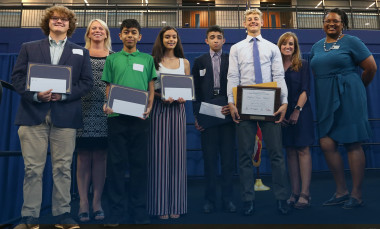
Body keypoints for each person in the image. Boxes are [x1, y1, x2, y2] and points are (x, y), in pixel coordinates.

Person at [11, 5, 93, 229]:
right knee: (33, 169)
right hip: (32, 115)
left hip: (65, 117)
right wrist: (35, 95)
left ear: (70, 24)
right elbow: (17, 78)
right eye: (55, 18)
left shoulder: (80, 52)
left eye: (64, 19)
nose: (59, 21)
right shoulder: (28, 47)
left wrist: (65, 95)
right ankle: (30, 217)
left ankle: (62, 215)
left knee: (63, 168)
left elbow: (86, 83)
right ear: (48, 22)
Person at [310, 8, 377, 209]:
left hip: (349, 95)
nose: (331, 24)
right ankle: (341, 191)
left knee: (352, 143)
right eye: (327, 20)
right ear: (323, 23)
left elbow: (371, 67)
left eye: (336, 21)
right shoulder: (316, 46)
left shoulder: (352, 41)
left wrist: (356, 87)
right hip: (325, 97)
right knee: (326, 143)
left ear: (343, 23)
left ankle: (356, 194)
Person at [227, 8, 290, 216]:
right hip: (243, 105)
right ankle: (248, 199)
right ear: (245, 24)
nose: (253, 21)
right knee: (244, 155)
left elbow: (279, 75)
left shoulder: (272, 48)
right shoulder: (236, 48)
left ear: (262, 23)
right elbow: (232, 76)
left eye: (256, 18)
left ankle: (282, 198)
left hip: (269, 104)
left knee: (277, 155)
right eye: (249, 19)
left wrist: (284, 101)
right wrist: (231, 103)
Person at [102, 19, 155, 225]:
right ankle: (115, 214)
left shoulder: (147, 59)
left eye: (134, 32)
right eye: (126, 32)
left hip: (140, 118)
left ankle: (139, 212)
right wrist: (108, 104)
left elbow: (151, 87)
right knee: (115, 167)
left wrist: (149, 107)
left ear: (139, 36)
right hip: (116, 118)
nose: (130, 36)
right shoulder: (112, 59)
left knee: (139, 166)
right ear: (120, 36)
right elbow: (108, 87)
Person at [192, 25, 236, 214]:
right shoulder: (199, 61)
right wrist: (196, 116)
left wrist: (233, 105)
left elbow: (237, 85)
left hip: (227, 112)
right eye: (212, 37)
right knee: (209, 160)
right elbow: (194, 91)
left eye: (219, 37)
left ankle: (228, 199)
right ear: (206, 40)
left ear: (224, 40)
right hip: (207, 114)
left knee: (227, 161)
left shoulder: (231, 60)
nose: (216, 40)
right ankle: (209, 200)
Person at [147, 26, 190, 220]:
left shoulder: (185, 62)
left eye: (174, 36)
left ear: (177, 39)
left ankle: (177, 204)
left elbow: (188, 90)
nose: (171, 39)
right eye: (167, 37)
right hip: (159, 111)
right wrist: (159, 96)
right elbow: (149, 90)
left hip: (178, 112)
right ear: (161, 39)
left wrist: (183, 97)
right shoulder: (153, 62)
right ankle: (159, 205)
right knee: (159, 159)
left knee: (178, 159)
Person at [76, 19, 112, 222]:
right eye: (93, 29)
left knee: (100, 157)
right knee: (82, 157)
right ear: (88, 34)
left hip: (107, 112)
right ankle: (83, 202)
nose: (97, 31)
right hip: (82, 110)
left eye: (101, 29)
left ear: (106, 34)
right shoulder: (78, 54)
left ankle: (97, 202)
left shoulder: (115, 57)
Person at [277, 32, 314, 209]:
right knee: (290, 151)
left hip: (301, 112)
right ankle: (295, 192)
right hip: (283, 114)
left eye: (291, 44)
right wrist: (280, 114)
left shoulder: (303, 64)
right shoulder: (274, 67)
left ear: (295, 46)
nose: (288, 47)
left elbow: (306, 90)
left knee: (303, 150)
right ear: (280, 46)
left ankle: (305, 194)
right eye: (284, 44)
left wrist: (297, 111)